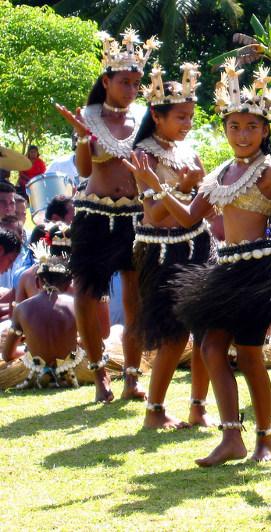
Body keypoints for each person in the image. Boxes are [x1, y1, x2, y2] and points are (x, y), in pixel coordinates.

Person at [127, 60, 271, 465]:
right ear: (224, 130)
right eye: (234, 126)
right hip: (227, 270)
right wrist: (156, 187)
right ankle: (231, 437)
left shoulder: (269, 171)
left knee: (250, 355)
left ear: (266, 130)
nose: (242, 134)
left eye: (251, 126)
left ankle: (265, 440)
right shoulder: (220, 172)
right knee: (211, 347)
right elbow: (187, 217)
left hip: (258, 273)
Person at [55, 28, 159, 402]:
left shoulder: (145, 118)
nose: (131, 90)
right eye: (124, 82)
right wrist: (83, 136)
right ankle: (100, 376)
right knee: (87, 293)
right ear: (106, 81)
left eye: (136, 83)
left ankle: (133, 377)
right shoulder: (89, 115)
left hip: (133, 216)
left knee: (136, 297)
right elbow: (84, 171)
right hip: (94, 215)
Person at [128, 62, 214, 429]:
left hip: (198, 243)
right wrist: (181, 186)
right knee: (174, 334)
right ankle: (155, 410)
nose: (187, 124)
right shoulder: (143, 154)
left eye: (191, 117)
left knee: (207, 330)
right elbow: (153, 214)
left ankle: (198, 407)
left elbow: (203, 199)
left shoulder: (187, 151)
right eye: (181, 117)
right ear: (156, 116)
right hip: (162, 249)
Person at [2, 240, 82, 389]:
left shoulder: (22, 308)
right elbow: (93, 345)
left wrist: (29, 352)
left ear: (38, 282)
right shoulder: (76, 306)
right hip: (74, 368)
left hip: (32, 370)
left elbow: (7, 355)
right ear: (67, 284)